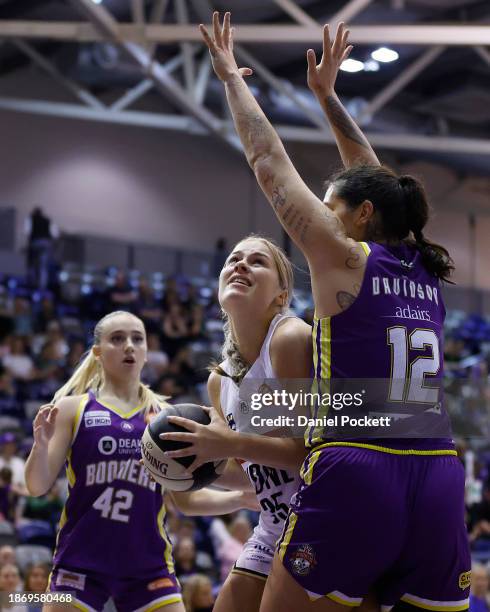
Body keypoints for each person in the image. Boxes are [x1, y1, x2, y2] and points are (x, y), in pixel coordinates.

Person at [196, 13, 470, 611]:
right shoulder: (419, 262)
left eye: (330, 206)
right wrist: (328, 98)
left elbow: (269, 163)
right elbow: (374, 181)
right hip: (439, 473)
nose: (321, 214)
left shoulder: (345, 261)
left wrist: (230, 80)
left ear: (362, 216)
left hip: (358, 465)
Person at [159, 235, 312, 612]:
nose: (241, 264)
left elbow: (314, 456)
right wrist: (188, 461)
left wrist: (231, 443)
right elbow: (254, 473)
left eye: (257, 262)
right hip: (274, 526)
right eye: (234, 259)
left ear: (281, 295)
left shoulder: (290, 338)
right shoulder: (219, 380)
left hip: (321, 520)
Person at [24, 311, 186, 612]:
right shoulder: (73, 408)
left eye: (137, 339)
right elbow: (36, 486)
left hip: (148, 565)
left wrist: (240, 497)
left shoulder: (166, 416)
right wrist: (40, 446)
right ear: (97, 352)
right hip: (80, 563)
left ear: (147, 352)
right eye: (117, 338)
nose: (129, 346)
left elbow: (190, 498)